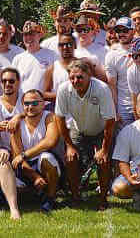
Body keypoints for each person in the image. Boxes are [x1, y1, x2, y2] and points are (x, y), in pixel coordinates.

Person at [55, 59, 117, 209]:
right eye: (72, 78)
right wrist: (69, 146)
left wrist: (104, 149)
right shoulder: (63, 89)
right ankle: (75, 197)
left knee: (104, 161)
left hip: (102, 129)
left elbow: (110, 121)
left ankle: (103, 198)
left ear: (89, 75)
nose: (76, 81)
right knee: (70, 159)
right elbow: (59, 118)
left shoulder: (102, 89)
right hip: (79, 129)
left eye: (80, 77)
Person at [10, 89, 62, 212]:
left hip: (44, 163)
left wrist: (24, 155)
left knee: (47, 157)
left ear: (43, 103)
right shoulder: (16, 123)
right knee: (13, 186)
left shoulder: (50, 117)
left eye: (34, 103)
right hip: (26, 167)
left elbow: (50, 141)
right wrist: (35, 177)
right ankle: (37, 193)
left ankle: (50, 198)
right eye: (26, 103)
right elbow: (17, 156)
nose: (30, 107)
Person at [103, 17, 137, 126]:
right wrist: (114, 110)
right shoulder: (111, 55)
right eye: (118, 31)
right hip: (124, 108)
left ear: (134, 31)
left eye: (125, 30)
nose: (121, 34)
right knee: (125, 141)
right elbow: (112, 85)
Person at [12, 21, 58, 97]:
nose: (28, 37)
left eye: (32, 34)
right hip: (24, 104)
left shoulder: (52, 55)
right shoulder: (17, 59)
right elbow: (13, 83)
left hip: (46, 103)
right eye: (25, 35)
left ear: (39, 35)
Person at [0, 68, 22, 149]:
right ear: (0, 83)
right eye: (4, 81)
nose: (7, 84)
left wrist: (19, 117)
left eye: (11, 81)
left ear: (18, 82)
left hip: (26, 148)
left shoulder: (26, 99)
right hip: (5, 149)